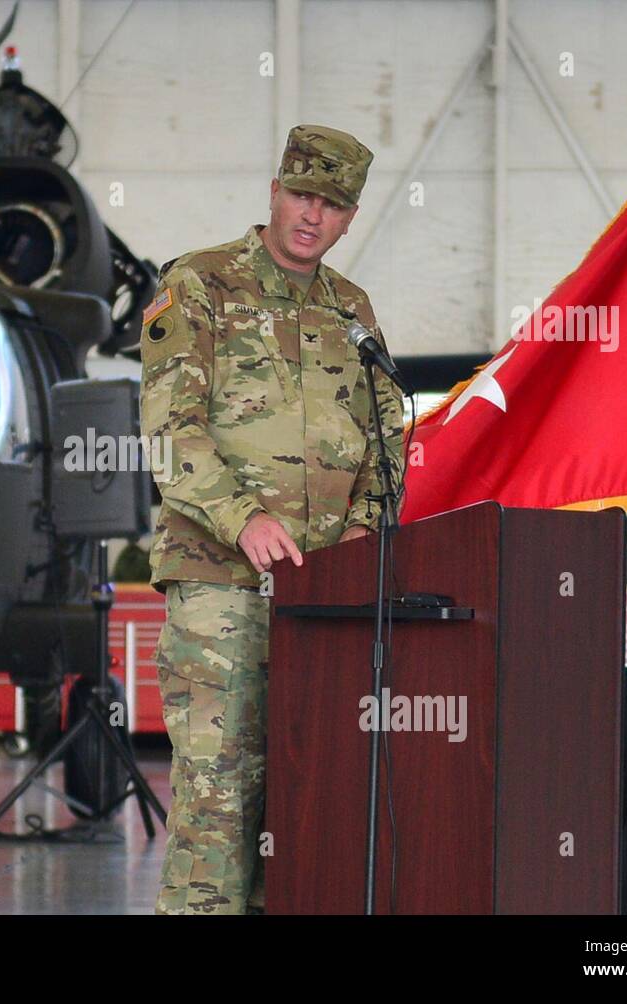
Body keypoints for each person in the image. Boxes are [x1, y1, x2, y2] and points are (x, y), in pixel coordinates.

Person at [139, 124, 404, 915]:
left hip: (325, 599)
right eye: (301, 195)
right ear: (274, 191)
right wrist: (243, 516)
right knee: (219, 801)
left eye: (332, 204)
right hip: (219, 588)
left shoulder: (351, 311)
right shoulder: (199, 284)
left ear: (351, 217)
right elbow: (168, 430)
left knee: (306, 802)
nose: (311, 217)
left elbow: (389, 437)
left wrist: (363, 530)